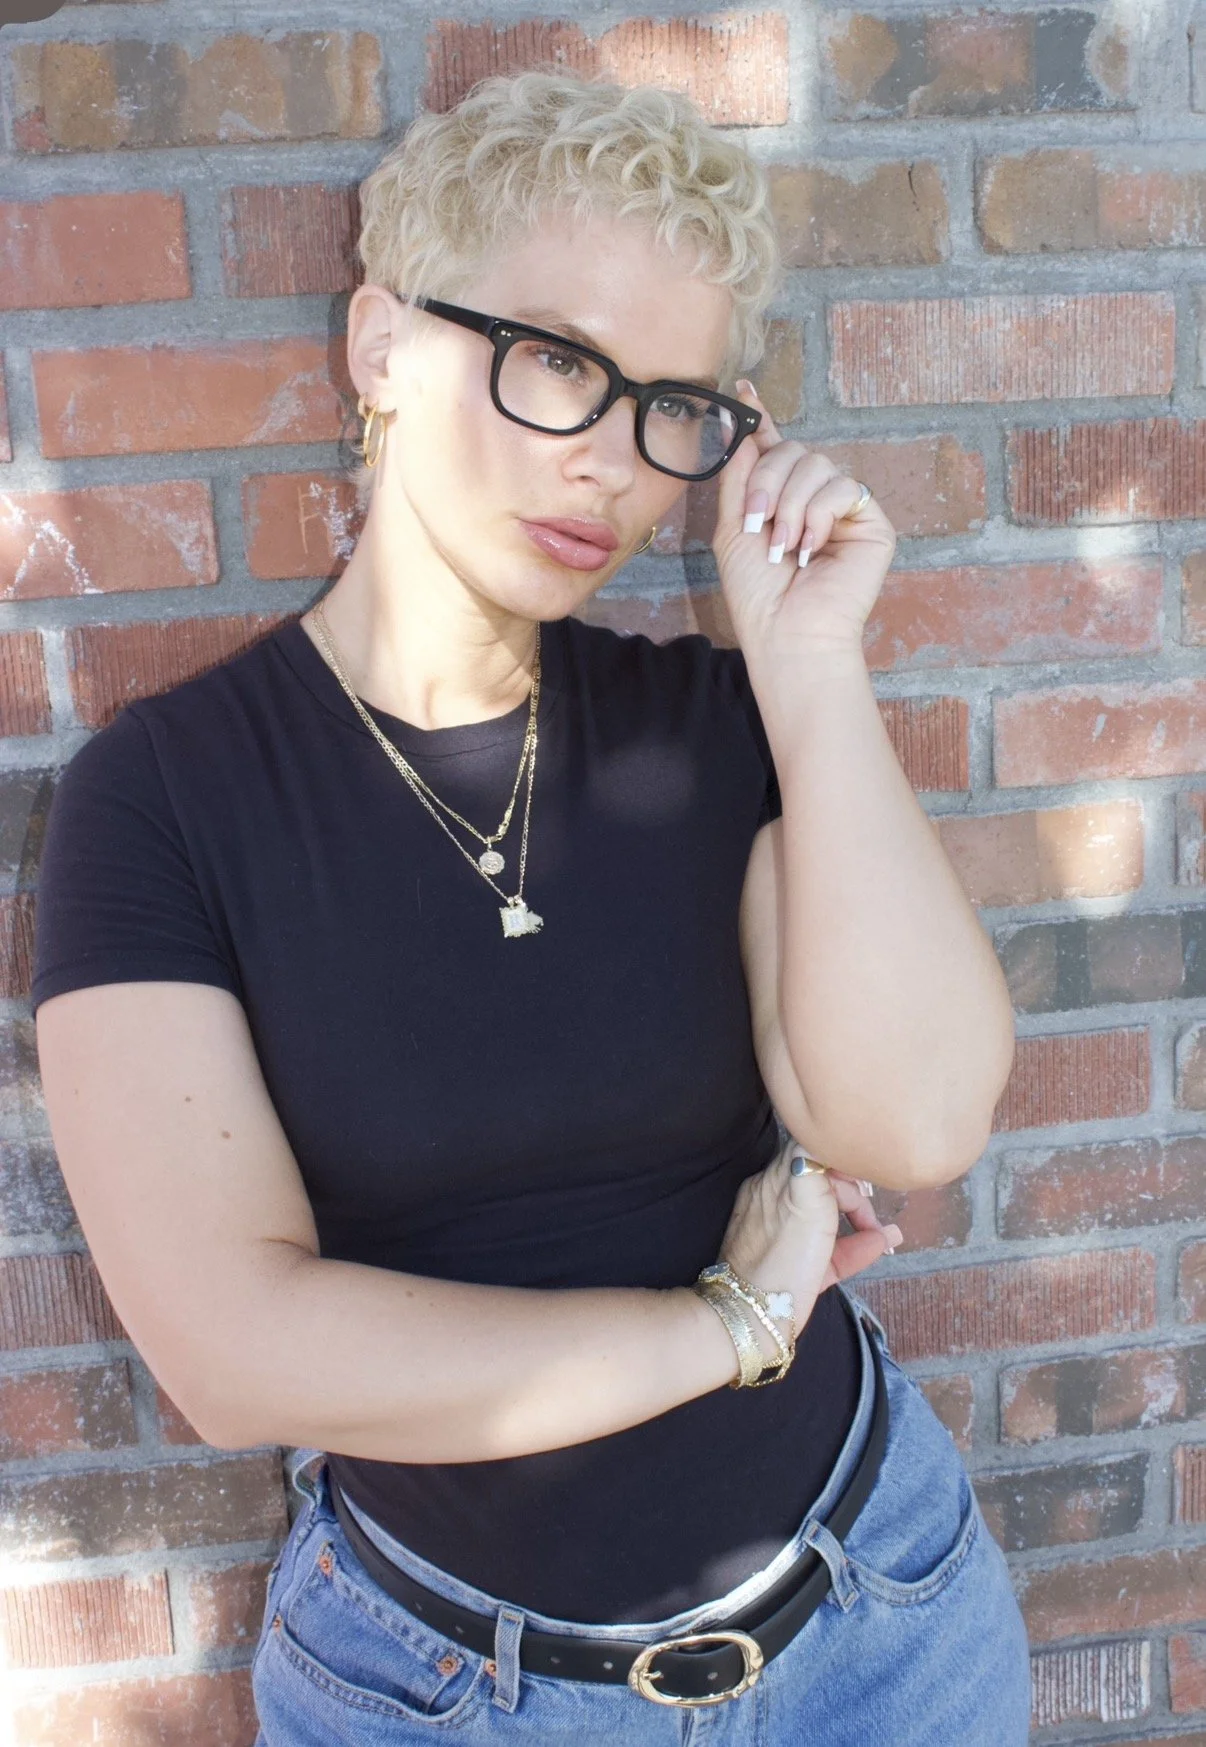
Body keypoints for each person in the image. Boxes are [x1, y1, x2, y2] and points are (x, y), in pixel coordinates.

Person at [31, 69, 1031, 1745]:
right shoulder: (167, 798)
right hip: (442, 1693)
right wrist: (726, 1325)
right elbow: (233, 1351)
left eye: (672, 403)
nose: (615, 466)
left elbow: (914, 1117)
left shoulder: (717, 723)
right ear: (379, 348)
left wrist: (804, 667)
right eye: (557, 360)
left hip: (883, 1630)